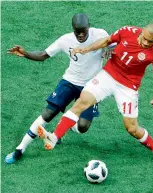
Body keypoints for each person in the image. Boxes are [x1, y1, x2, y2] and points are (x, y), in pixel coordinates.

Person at [37, 23, 153, 165]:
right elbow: (106, 41)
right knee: (82, 102)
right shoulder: (127, 31)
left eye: (151, 41)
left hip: (128, 87)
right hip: (108, 76)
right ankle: (54, 137)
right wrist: (85, 49)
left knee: (132, 128)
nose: (147, 43)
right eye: (145, 38)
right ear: (142, 32)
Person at [4, 13, 109, 164]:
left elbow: (116, 44)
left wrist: (111, 50)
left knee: (83, 127)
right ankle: (20, 149)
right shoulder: (65, 40)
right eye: (77, 31)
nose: (80, 35)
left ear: (89, 26)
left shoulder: (100, 34)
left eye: (83, 31)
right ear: (73, 29)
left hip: (92, 86)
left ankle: (60, 130)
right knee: (48, 113)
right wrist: (25, 53)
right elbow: (43, 55)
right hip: (70, 81)